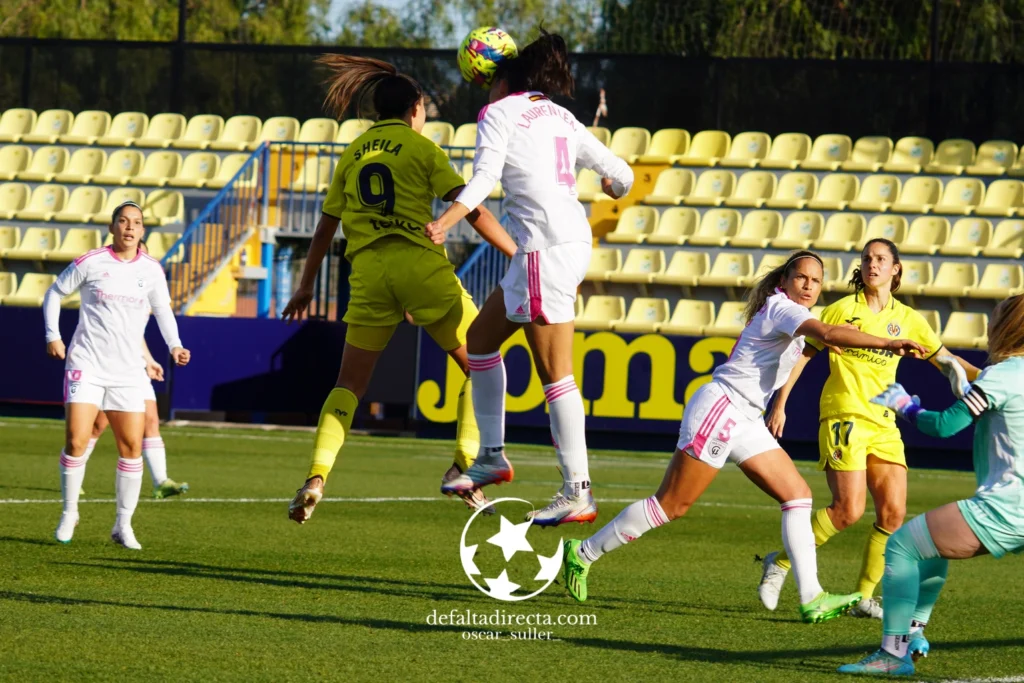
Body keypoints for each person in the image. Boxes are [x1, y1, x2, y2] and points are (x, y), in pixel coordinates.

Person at [560, 252, 928, 624]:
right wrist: (885, 342)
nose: (808, 286)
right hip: (722, 409)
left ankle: (812, 596)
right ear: (784, 282)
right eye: (801, 277)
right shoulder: (782, 309)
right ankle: (583, 553)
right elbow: (829, 333)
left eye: (816, 281)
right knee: (672, 505)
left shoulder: (798, 317)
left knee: (797, 496)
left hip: (747, 417)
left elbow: (824, 338)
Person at [283, 55, 517, 523]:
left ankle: (315, 477)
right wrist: (520, 254)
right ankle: (465, 467)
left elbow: (326, 227)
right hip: (419, 266)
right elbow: (474, 209)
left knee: (348, 384)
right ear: (414, 109)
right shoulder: (421, 148)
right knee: (482, 366)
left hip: (369, 273)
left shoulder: (355, 151)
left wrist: (306, 285)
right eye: (425, 109)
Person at [425, 30, 635, 527]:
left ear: (491, 77)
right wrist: (610, 185)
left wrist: (446, 221)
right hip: (561, 245)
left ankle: (577, 490)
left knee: (555, 373)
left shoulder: (498, 113)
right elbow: (621, 173)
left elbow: (482, 179)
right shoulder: (559, 112)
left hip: (543, 247)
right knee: (480, 340)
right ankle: (493, 456)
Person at [757, 239, 980, 619]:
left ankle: (863, 596)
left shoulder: (909, 319)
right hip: (844, 414)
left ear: (895, 269)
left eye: (880, 259)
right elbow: (802, 356)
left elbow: (945, 361)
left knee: (893, 514)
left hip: (884, 422)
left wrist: (988, 377)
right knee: (847, 510)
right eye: (867, 259)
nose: (872, 265)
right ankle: (780, 563)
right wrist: (780, 403)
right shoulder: (843, 310)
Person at [839, 294, 1024, 676]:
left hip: (1008, 507)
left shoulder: (1002, 375)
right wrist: (967, 394)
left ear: (1007, 328)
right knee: (931, 546)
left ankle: (893, 654)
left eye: (994, 320)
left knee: (903, 545)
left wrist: (905, 405)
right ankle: (913, 632)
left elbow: (943, 426)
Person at [45, 201, 190, 549]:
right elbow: (54, 293)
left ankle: (123, 525)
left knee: (130, 448)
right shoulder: (91, 262)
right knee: (77, 440)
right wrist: (53, 334)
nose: (129, 227)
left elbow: (163, 311)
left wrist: (175, 345)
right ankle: (69, 512)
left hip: (128, 372)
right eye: (123, 221)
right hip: (86, 364)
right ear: (112, 227)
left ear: (142, 231)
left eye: (136, 223)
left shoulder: (152, 270)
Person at [87, 337, 189, 499]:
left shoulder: (139, 312)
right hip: (110, 368)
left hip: (136, 369)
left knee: (151, 422)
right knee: (98, 425)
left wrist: (148, 360)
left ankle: (161, 482)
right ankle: (74, 473)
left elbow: (137, 334)